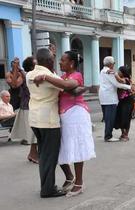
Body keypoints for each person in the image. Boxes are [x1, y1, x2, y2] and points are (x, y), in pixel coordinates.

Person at [33, 50, 95, 197]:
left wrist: (46, 76)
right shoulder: (63, 76)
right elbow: (65, 86)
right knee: (60, 148)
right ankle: (69, 176)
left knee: (77, 147)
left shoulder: (76, 75)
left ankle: (79, 183)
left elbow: (68, 86)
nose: (60, 62)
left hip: (76, 115)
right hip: (64, 116)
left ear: (71, 63)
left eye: (63, 60)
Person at [26, 48, 65, 198]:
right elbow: (66, 86)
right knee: (50, 156)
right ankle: (48, 189)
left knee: (43, 155)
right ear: (49, 61)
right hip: (48, 120)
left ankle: (46, 186)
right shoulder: (48, 76)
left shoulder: (30, 73)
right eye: (53, 59)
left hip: (35, 119)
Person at [10, 57, 39, 163]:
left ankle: (32, 154)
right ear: (31, 66)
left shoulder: (36, 74)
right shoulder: (24, 76)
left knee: (35, 132)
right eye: (36, 63)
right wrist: (16, 69)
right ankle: (33, 154)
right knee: (33, 133)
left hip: (36, 106)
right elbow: (14, 85)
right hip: (27, 107)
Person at [98, 56, 131, 142]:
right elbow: (118, 84)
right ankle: (108, 136)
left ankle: (108, 134)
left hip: (103, 97)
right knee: (110, 118)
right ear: (111, 64)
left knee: (107, 117)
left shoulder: (102, 71)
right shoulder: (110, 73)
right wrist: (130, 87)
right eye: (113, 63)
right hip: (110, 98)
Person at [114, 66, 134, 141]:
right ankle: (122, 133)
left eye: (119, 71)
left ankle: (126, 135)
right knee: (120, 117)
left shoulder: (126, 79)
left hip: (128, 101)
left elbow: (120, 80)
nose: (118, 72)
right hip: (121, 101)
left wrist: (114, 73)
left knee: (126, 118)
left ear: (123, 73)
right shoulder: (119, 79)